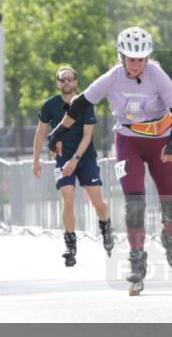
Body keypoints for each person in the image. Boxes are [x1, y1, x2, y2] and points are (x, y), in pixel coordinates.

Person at [48, 27, 172, 295]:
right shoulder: (113, 78)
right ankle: (137, 260)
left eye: (141, 59)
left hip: (161, 144)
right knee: (134, 203)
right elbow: (79, 104)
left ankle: (170, 235)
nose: (136, 65)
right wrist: (59, 131)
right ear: (121, 56)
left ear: (147, 58)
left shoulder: (156, 75)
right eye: (131, 59)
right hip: (128, 142)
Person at [33, 66, 113, 267]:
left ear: (76, 82)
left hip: (85, 158)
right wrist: (36, 160)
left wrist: (75, 160)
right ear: (57, 82)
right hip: (62, 159)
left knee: (98, 203)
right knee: (67, 201)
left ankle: (106, 227)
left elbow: (88, 135)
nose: (66, 82)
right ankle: (70, 245)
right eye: (62, 79)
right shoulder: (49, 105)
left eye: (70, 79)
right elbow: (41, 133)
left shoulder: (85, 103)